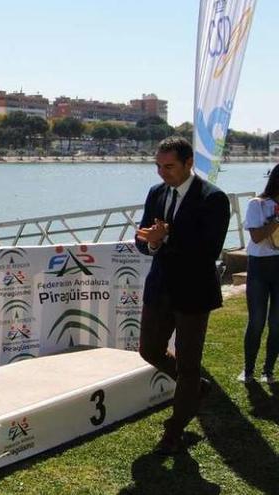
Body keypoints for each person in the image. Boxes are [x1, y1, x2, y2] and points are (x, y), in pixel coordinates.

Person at [135, 136, 230, 455]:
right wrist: (153, 242)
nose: (162, 173)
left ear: (189, 164)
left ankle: (175, 430)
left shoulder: (213, 198)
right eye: (158, 166)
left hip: (193, 292)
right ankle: (196, 389)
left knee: (189, 364)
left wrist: (167, 237)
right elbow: (143, 240)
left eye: (169, 166)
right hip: (159, 288)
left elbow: (208, 251)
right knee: (149, 350)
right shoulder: (156, 193)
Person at [238, 164, 279, 384]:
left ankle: (269, 370)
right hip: (260, 268)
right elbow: (256, 237)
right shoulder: (258, 204)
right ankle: (248, 370)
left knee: (277, 323)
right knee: (256, 321)